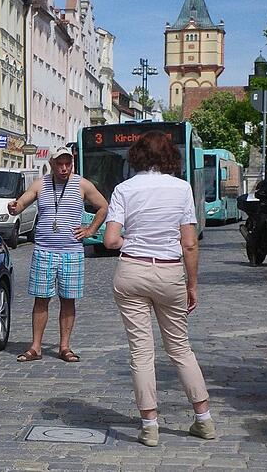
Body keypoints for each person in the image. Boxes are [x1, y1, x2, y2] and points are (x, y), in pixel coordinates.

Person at [103, 131, 216, 446]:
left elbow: (111, 240)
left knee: (141, 351)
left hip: (131, 271)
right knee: (180, 348)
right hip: (169, 273)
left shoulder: (123, 189)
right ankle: (204, 420)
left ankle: (149, 426)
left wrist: (134, 243)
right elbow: (190, 244)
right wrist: (192, 284)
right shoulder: (181, 189)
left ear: (137, 155)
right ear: (170, 156)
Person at [8, 146, 108, 363]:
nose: (64, 168)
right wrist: (15, 208)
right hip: (44, 251)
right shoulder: (41, 183)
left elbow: (102, 206)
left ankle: (65, 347)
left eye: (68, 164)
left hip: (71, 252)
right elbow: (23, 202)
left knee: (68, 300)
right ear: (52, 164)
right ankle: (36, 347)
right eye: (60, 164)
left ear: (72, 163)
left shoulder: (82, 184)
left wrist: (90, 230)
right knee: (41, 299)